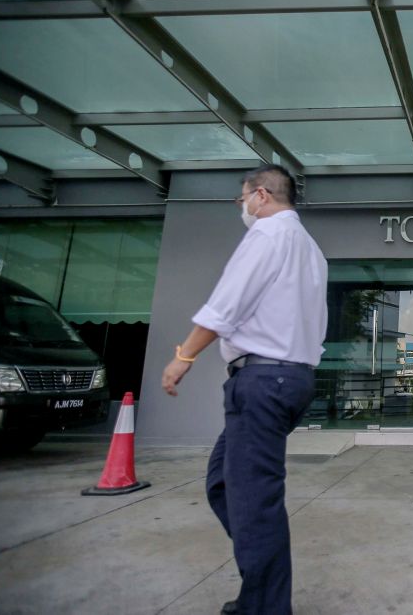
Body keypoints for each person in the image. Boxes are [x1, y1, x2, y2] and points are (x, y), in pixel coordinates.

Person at [161, 164, 328, 615]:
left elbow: (225, 306)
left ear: (260, 196)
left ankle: (266, 606)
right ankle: (262, 582)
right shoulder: (311, 251)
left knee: (255, 502)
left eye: (242, 201)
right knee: (223, 483)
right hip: (290, 379)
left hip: (262, 382)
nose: (244, 209)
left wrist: (184, 357)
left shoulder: (268, 235)